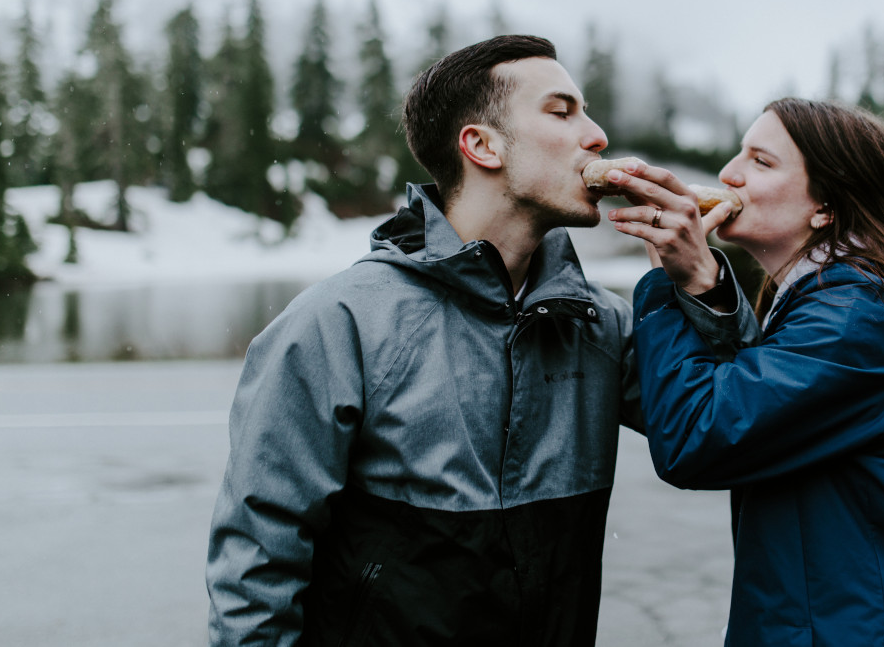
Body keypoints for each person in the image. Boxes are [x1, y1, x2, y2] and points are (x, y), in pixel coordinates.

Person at [206, 35, 643, 647]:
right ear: (481, 145)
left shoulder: (603, 325)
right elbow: (258, 565)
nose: (595, 135)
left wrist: (696, 284)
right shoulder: (337, 323)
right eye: (561, 110)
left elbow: (724, 434)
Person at [605, 97, 884, 647]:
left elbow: (698, 437)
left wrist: (666, 283)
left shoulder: (862, 311)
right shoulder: (832, 299)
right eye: (739, 154)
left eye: (761, 161)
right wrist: (706, 287)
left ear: (825, 207)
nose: (729, 174)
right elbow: (753, 400)